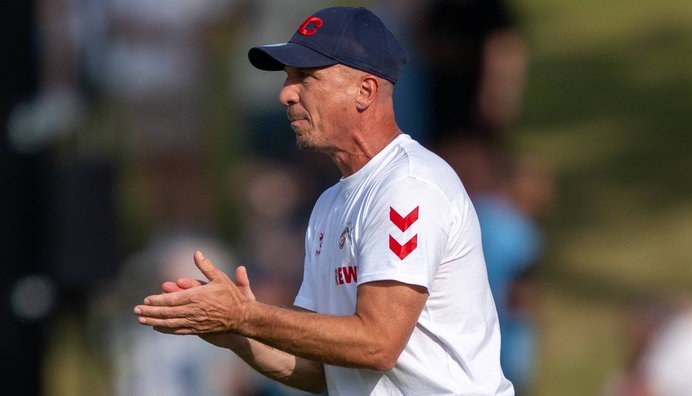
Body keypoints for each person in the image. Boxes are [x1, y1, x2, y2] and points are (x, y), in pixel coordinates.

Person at [134, 6, 514, 395]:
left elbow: (377, 344)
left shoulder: (408, 186)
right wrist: (234, 331)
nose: (285, 94)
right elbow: (318, 368)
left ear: (364, 91)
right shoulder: (329, 204)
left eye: (306, 77)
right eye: (286, 78)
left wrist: (246, 315)